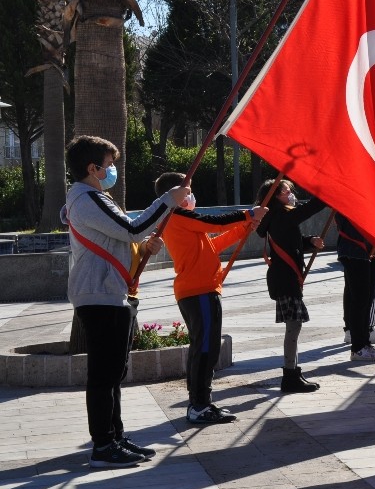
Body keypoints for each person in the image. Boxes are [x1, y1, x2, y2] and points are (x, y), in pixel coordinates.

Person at [62, 135, 190, 468]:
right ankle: (103, 445)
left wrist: (144, 247)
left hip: (111, 292)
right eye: (109, 165)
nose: (112, 170)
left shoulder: (92, 197)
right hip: (99, 296)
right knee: (104, 375)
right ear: (93, 168)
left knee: (113, 373)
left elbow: (121, 238)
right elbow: (132, 229)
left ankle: (114, 436)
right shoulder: (86, 198)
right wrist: (168, 199)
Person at [154, 172, 266, 424]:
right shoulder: (177, 214)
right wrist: (248, 214)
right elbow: (214, 223)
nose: (191, 194)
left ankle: (200, 402)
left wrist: (243, 228)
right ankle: (199, 405)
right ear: (175, 194)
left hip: (202, 288)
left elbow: (213, 244)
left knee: (205, 348)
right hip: (198, 290)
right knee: (205, 349)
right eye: (188, 190)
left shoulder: (181, 219)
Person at [255, 179, 326, 392]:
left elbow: (290, 242)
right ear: (276, 196)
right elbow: (310, 209)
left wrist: (309, 241)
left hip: (285, 277)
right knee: (294, 325)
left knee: (294, 325)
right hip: (284, 278)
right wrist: (328, 192)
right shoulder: (280, 215)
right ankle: (289, 374)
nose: (291, 193)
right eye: (287, 191)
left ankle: (293, 371)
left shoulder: (278, 218)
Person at [335, 214, 375, 361]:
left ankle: (365, 343)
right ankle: (358, 348)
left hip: (368, 250)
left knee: (366, 299)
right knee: (359, 300)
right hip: (354, 250)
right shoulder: (346, 200)